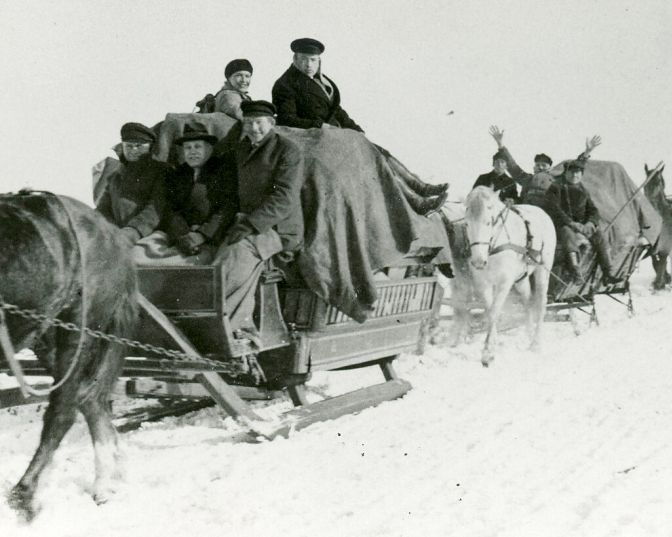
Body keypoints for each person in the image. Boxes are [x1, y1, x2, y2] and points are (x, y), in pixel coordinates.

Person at [272, 37, 446, 214]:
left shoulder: (322, 81)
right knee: (374, 160)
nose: (308, 64)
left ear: (319, 61)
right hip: (315, 140)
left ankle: (420, 188)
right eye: (303, 59)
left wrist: (355, 128)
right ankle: (416, 202)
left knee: (379, 151)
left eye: (313, 60)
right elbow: (287, 119)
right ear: (294, 59)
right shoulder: (285, 84)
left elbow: (336, 110)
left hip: (337, 136)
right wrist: (320, 126)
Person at [213, 100, 304, 336]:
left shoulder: (287, 150)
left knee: (237, 254)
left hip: (278, 227)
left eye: (259, 123)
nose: (254, 128)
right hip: (246, 223)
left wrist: (251, 225)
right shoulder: (241, 149)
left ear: (271, 123)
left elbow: (284, 198)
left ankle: (232, 327)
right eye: (249, 123)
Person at [133, 123, 238, 265]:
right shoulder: (179, 173)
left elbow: (227, 208)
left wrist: (201, 235)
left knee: (185, 265)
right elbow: (170, 209)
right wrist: (183, 234)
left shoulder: (223, 172)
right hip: (180, 236)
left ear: (209, 148)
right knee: (136, 254)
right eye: (188, 148)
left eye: (198, 146)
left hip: (210, 238)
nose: (192, 152)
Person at [488, 126, 601, 210]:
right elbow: (513, 166)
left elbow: (574, 168)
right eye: (538, 165)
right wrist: (500, 144)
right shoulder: (527, 179)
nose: (540, 167)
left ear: (549, 168)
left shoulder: (557, 179)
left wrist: (587, 152)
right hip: (526, 211)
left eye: (544, 165)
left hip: (548, 214)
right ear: (534, 167)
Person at [544, 159, 615, 285]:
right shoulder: (556, 187)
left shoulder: (583, 189)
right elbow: (554, 209)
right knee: (568, 235)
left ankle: (607, 273)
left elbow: (593, 210)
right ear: (565, 173)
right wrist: (571, 223)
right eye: (571, 172)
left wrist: (590, 223)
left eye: (578, 173)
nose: (574, 175)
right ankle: (575, 271)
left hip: (582, 225)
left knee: (600, 236)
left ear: (581, 174)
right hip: (562, 224)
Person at [96, 122, 168, 245]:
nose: (133, 150)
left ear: (150, 147)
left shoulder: (161, 171)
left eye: (139, 146)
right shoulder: (116, 176)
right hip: (118, 235)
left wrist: (133, 231)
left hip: (150, 234)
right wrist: (107, 230)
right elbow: (104, 208)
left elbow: (156, 208)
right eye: (128, 146)